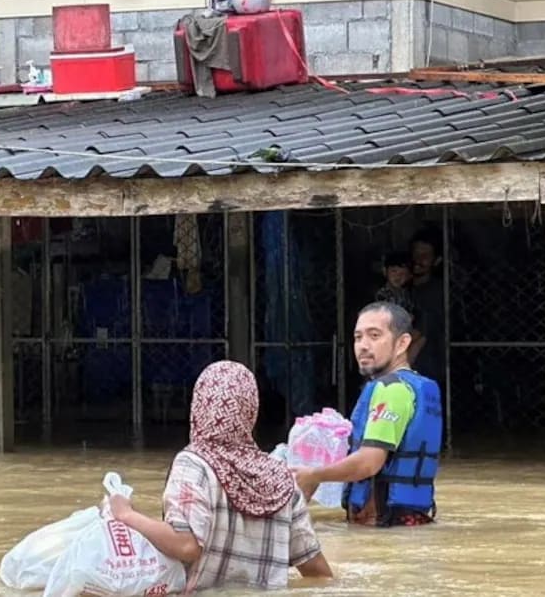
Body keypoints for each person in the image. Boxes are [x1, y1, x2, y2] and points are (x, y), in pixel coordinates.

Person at [108, 361, 333, 591]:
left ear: (199, 406)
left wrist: (126, 514)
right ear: (250, 411)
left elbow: (186, 545)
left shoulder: (193, 465)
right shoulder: (281, 478)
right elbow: (318, 572)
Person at [292, 302, 442, 528]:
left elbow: (369, 463)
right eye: (358, 337)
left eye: (374, 335)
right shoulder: (416, 386)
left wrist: (314, 475)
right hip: (408, 522)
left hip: (384, 525)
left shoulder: (392, 390)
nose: (363, 345)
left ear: (402, 343)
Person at [409, 228, 446, 385]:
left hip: (427, 365)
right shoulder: (401, 288)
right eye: (416, 254)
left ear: (436, 261)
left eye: (425, 256)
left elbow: (424, 329)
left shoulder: (438, 291)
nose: (418, 260)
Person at [375, 252, 427, 365]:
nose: (398, 277)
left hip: (402, 329)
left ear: (409, 276)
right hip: (388, 331)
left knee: (421, 337)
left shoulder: (405, 294)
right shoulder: (383, 294)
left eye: (403, 274)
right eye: (394, 271)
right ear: (385, 271)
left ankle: (404, 365)